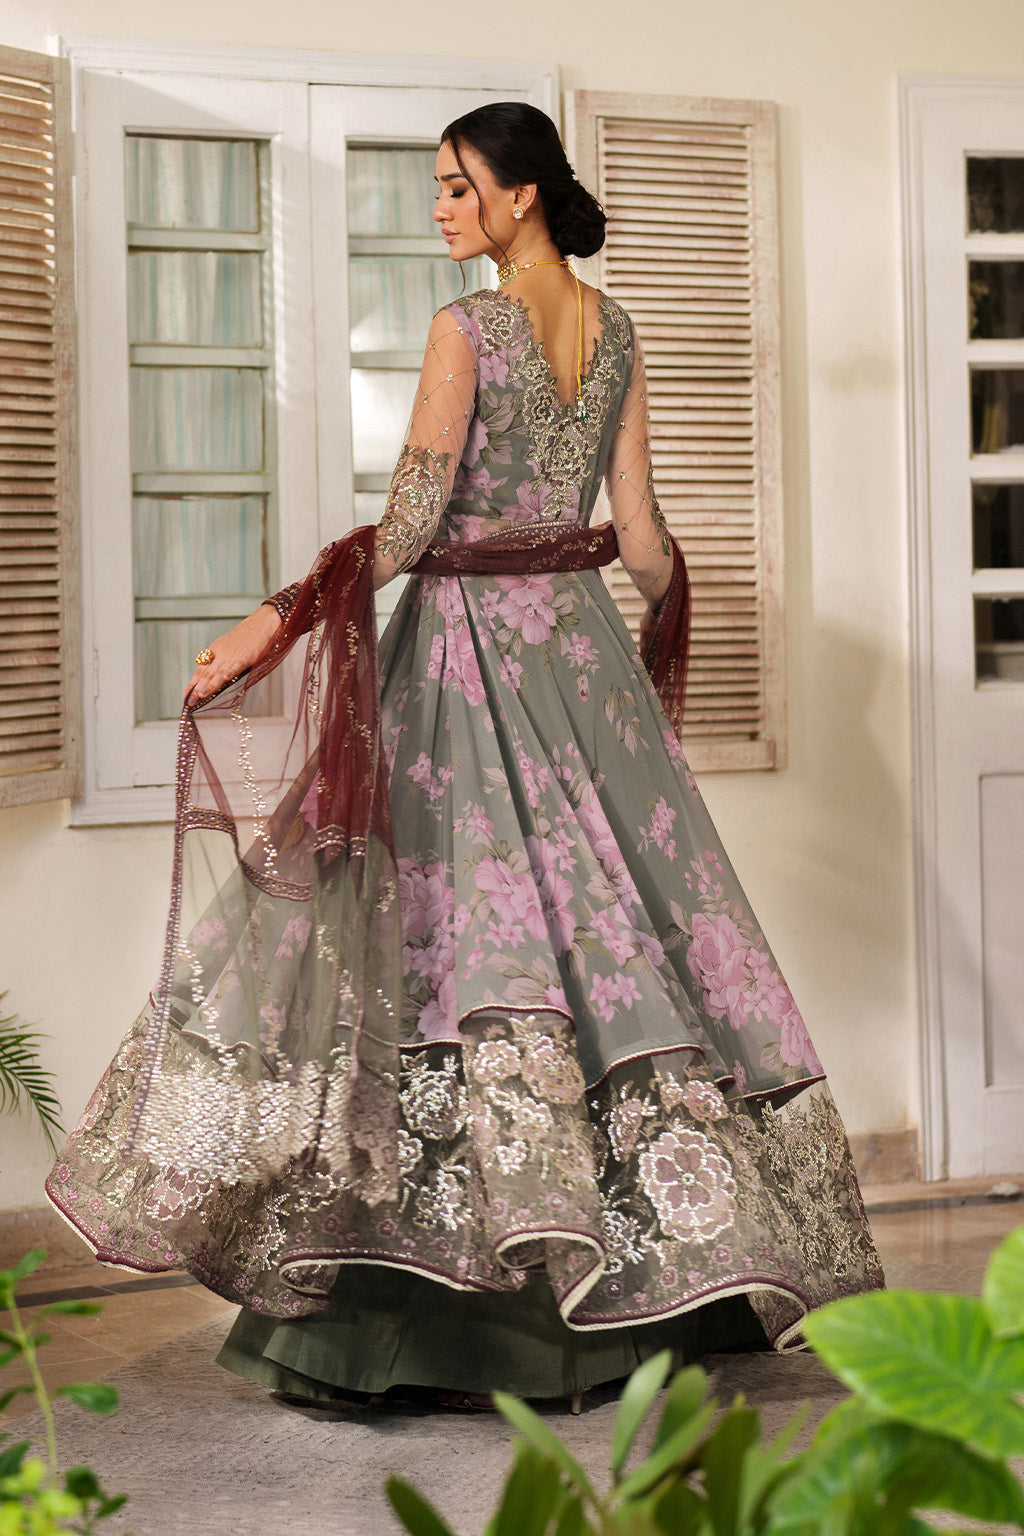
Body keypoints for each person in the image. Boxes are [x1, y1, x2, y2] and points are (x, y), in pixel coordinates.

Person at [47, 102, 882, 1413]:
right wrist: (656, 624)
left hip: (468, 664)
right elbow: (644, 540)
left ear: (522, 194)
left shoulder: (467, 330)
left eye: (455, 187)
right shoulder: (616, 328)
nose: (438, 210)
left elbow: (405, 530)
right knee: (604, 945)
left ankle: (428, 1325)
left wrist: (271, 621)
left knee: (457, 951)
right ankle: (637, 1295)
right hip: (584, 663)